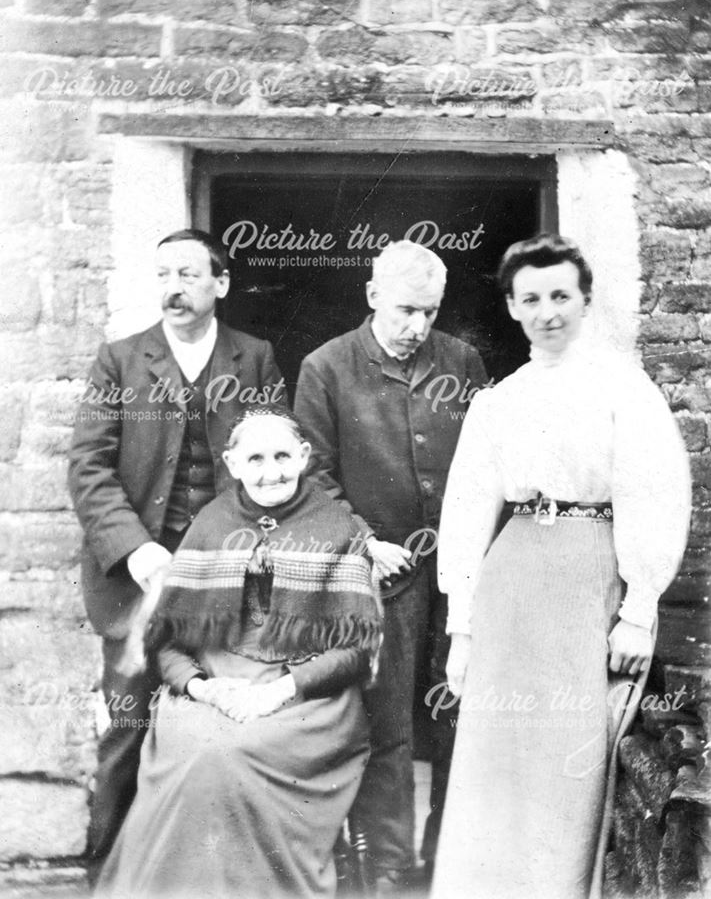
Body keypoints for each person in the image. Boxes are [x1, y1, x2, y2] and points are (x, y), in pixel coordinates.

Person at [434, 233, 691, 899]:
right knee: (498, 746)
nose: (546, 311)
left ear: (583, 300)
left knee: (567, 748)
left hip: (588, 568)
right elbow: (465, 513)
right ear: (512, 308)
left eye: (559, 296)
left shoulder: (622, 391)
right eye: (530, 299)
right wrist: (462, 630)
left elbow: (653, 493)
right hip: (513, 574)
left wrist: (638, 609)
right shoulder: (499, 400)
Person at [67, 229, 285, 881]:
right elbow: (89, 469)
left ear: (220, 283)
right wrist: (137, 552)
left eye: (189, 274)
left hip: (228, 578)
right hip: (138, 584)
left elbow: (278, 467)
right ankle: (106, 875)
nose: (173, 288)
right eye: (163, 273)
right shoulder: (121, 362)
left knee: (227, 732)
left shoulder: (255, 360)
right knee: (127, 730)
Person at [95, 408, 382, 899]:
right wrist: (202, 687)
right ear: (232, 463)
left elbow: (355, 650)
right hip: (211, 685)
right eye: (256, 458)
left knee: (233, 754)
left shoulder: (337, 528)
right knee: (198, 752)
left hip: (307, 694)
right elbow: (166, 642)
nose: (271, 471)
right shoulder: (212, 524)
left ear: (305, 457)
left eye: (282, 456)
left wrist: (278, 692)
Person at [294, 240, 489, 890]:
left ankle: (449, 855)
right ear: (373, 296)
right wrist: (361, 543)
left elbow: (489, 461)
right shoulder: (326, 368)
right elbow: (310, 478)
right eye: (406, 310)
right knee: (387, 722)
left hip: (461, 566)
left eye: (431, 313)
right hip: (383, 568)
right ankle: (386, 867)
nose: (419, 327)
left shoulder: (461, 360)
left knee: (459, 708)